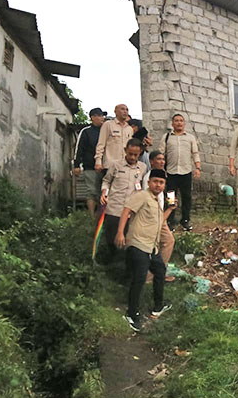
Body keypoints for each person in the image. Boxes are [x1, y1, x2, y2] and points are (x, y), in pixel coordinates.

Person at [115, 168, 175, 332]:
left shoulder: (156, 202)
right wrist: (120, 233)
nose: (158, 185)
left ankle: (158, 306)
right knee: (139, 279)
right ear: (149, 182)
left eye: (161, 182)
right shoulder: (142, 196)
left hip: (151, 247)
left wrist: (169, 210)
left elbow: (159, 222)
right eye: (155, 181)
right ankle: (131, 314)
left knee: (160, 270)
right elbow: (126, 210)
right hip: (138, 244)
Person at [100, 138, 147, 257]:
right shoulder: (116, 165)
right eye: (130, 154)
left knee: (128, 241)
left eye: (135, 155)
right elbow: (106, 181)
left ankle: (125, 265)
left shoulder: (143, 168)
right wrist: (104, 193)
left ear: (140, 153)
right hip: (114, 208)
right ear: (125, 150)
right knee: (112, 239)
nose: (132, 157)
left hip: (131, 212)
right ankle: (111, 264)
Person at [157, 113, 201, 231]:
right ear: (172, 123)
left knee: (186, 197)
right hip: (171, 172)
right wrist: (160, 168)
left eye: (181, 121)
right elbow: (161, 154)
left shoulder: (190, 138)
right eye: (176, 121)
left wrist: (197, 167)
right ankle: (171, 220)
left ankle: (185, 220)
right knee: (171, 196)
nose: (179, 123)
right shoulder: (166, 137)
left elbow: (195, 153)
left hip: (186, 172)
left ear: (184, 123)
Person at [141, 151, 175, 283]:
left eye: (163, 159)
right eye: (158, 159)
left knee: (167, 241)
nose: (161, 162)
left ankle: (159, 273)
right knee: (160, 244)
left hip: (160, 215)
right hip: (152, 217)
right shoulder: (149, 177)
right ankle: (152, 277)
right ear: (151, 161)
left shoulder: (161, 175)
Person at [73, 107, 107, 216]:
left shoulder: (106, 130)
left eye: (102, 115)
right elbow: (79, 148)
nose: (102, 118)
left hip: (106, 167)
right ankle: (92, 216)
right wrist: (77, 165)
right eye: (100, 115)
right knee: (91, 191)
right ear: (93, 117)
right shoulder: (86, 131)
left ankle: (102, 215)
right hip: (90, 166)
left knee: (104, 191)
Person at [94, 104, 134, 171]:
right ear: (115, 112)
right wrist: (98, 162)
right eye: (122, 109)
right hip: (110, 165)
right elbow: (101, 144)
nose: (125, 111)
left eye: (127, 110)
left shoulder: (129, 129)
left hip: (125, 166)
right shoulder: (108, 125)